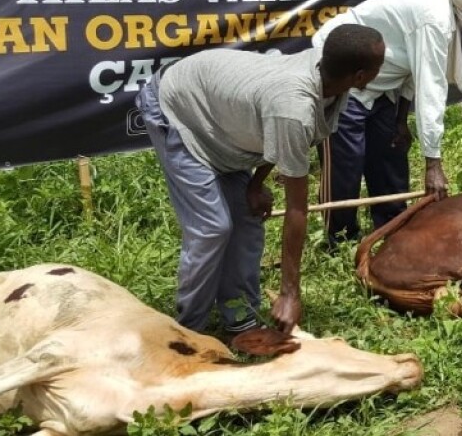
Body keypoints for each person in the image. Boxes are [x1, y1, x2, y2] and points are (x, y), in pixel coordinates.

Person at [135, 26, 386, 335]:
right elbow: (297, 208)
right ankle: (188, 332)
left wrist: (256, 185)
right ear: (360, 76)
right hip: (179, 109)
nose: (382, 70)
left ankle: (239, 316)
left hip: (223, 124)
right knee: (212, 228)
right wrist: (289, 293)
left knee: (246, 218)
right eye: (379, 66)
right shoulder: (295, 105)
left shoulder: (332, 83)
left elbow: (285, 138)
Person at [311, 0, 462, 246]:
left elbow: (413, 67)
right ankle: (338, 241)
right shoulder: (433, 12)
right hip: (343, 76)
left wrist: (400, 118)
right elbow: (431, 86)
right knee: (346, 164)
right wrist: (433, 163)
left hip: (382, 85)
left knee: (390, 154)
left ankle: (393, 230)